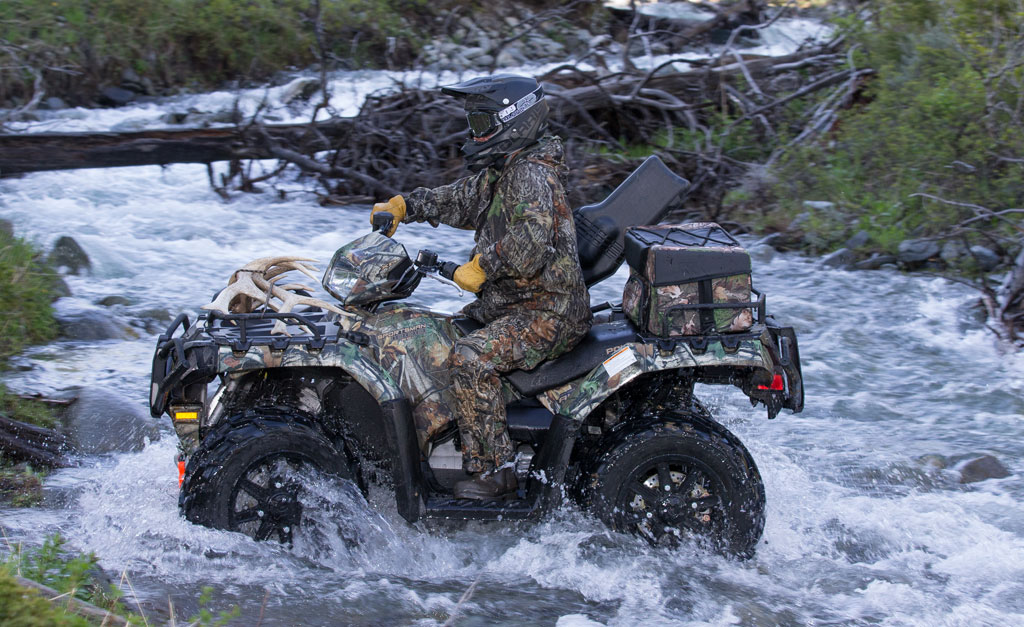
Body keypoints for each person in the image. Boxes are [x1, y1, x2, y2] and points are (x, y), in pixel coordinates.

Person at [369, 74, 592, 499]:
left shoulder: (531, 176)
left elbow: (531, 243)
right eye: (473, 123)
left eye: (482, 122)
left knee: (470, 359)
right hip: (515, 304)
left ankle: (497, 472)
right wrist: (405, 206)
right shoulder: (503, 171)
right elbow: (458, 198)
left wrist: (482, 267)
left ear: (514, 120)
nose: (476, 133)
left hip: (548, 312)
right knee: (420, 332)